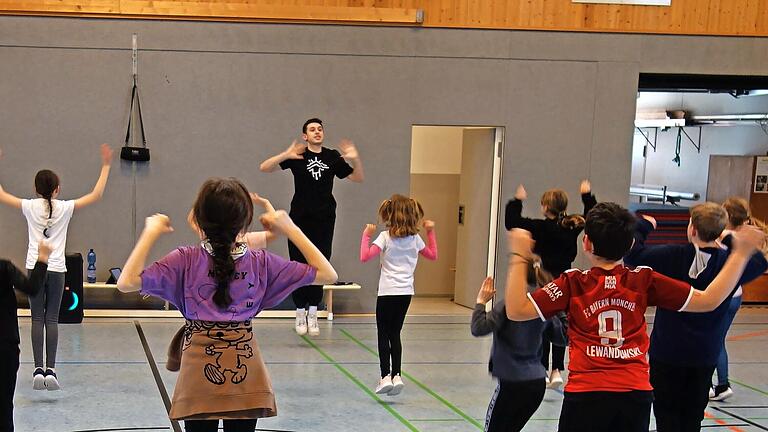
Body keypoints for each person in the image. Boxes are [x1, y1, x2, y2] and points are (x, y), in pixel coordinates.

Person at [504, 202, 765, 432]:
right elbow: (709, 300)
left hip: (587, 395)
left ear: (586, 244)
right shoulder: (644, 279)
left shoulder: (573, 283)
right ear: (630, 244)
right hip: (634, 396)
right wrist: (740, 254)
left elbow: (516, 310)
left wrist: (518, 255)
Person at [117, 177, 337, 432]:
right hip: (246, 370)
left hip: (198, 370)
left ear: (199, 220)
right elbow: (327, 274)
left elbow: (126, 282)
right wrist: (290, 229)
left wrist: (150, 232)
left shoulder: (185, 260)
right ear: (244, 222)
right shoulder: (260, 263)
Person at [625, 203, 767, 430]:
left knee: (665, 415)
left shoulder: (672, 256)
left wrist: (643, 226)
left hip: (667, 353)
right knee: (692, 419)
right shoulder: (729, 264)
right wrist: (730, 238)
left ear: (692, 229)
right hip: (704, 355)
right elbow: (760, 261)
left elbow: (633, 255)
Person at [0, 144, 113, 390]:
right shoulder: (64, 208)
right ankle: (51, 370)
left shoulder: (30, 206)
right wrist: (105, 166)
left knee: (36, 318)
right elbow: (95, 195)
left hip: (35, 267)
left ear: (36, 189)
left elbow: (1, 194)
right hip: (58, 269)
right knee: (52, 319)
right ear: (57, 189)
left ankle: (37, 370)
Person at [260, 118, 363, 336]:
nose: (317, 132)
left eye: (320, 129)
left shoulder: (332, 156)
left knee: (320, 263)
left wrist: (356, 159)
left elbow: (357, 177)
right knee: (298, 263)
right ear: (305, 136)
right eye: (312, 130)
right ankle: (299, 310)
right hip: (299, 219)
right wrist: (285, 155)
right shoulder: (298, 156)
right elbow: (265, 167)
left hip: (324, 219)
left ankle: (314, 311)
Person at [504, 180, 596, 387]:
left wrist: (517, 201)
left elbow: (512, 221)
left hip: (545, 278)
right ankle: (557, 369)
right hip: (566, 278)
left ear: (546, 207)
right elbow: (592, 216)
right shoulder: (571, 225)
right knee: (563, 322)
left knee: (544, 319)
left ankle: (543, 366)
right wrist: (587, 195)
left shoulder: (540, 227)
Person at [470, 255, 566, 432]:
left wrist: (481, 302)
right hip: (536, 384)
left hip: (511, 382)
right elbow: (563, 337)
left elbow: (478, 328)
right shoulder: (541, 306)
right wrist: (557, 307)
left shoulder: (508, 306)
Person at [360, 194, 437, 395]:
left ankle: (385, 376)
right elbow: (433, 255)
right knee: (395, 333)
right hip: (405, 293)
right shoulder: (415, 239)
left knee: (383, 334)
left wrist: (366, 235)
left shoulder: (385, 237)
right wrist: (430, 232)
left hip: (387, 292)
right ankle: (397, 375)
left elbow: (364, 257)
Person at [710, 197, 768, 401]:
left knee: (714, 340)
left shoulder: (725, 237)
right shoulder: (744, 238)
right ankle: (715, 384)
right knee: (716, 338)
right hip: (736, 295)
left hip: (723, 295)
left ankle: (722, 385)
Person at [1, 241, 49, 432]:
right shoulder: (4, 268)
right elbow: (32, 287)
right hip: (4, 348)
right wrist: (43, 258)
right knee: (4, 406)